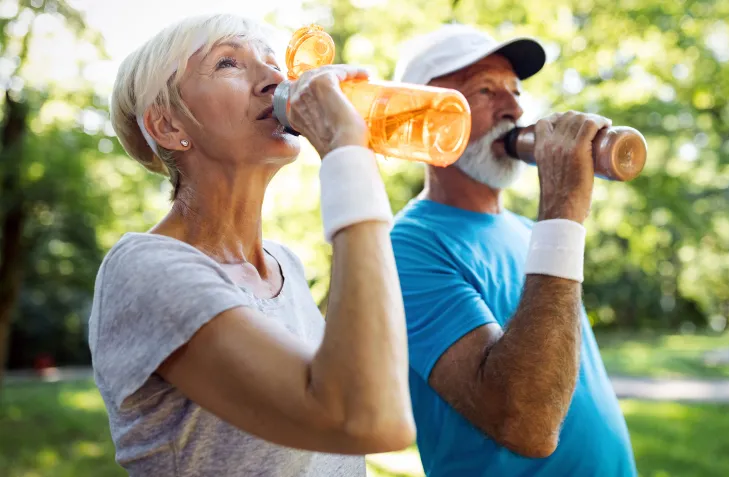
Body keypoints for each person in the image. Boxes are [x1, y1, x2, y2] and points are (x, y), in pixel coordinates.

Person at [89, 14, 415, 477]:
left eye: (272, 62)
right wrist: (348, 155)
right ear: (165, 126)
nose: (276, 80)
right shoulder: (145, 269)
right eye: (228, 63)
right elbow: (369, 417)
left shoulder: (286, 266)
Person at [390, 24, 637, 476]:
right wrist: (563, 209)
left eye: (516, 90)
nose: (516, 108)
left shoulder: (532, 232)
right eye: (486, 90)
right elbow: (527, 424)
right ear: (422, 120)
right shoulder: (405, 248)